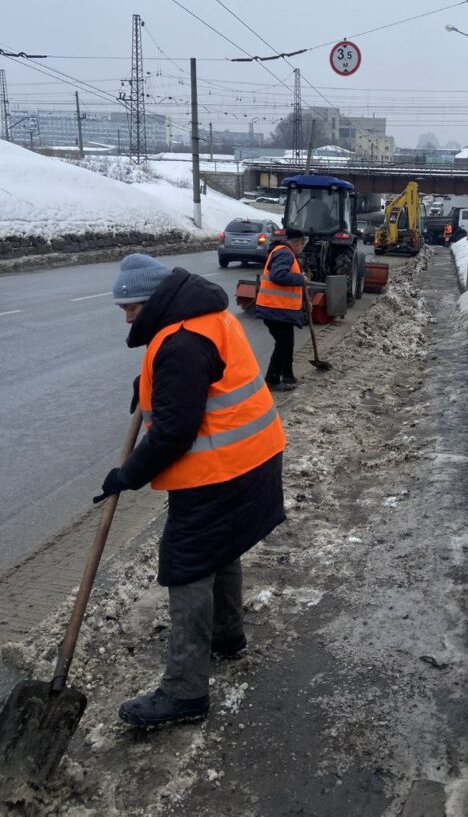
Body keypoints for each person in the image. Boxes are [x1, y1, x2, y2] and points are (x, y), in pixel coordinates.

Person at [96, 253, 286, 728]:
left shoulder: (180, 341)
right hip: (251, 457)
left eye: (131, 308)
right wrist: (154, 383)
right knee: (221, 548)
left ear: (154, 301)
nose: (127, 318)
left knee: (187, 565)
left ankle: (185, 692)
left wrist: (127, 475)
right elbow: (201, 379)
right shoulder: (202, 315)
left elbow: (173, 434)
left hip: (220, 470)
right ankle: (227, 637)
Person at [252, 227, 307, 392]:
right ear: (298, 243)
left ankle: (288, 375)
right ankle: (272, 380)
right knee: (284, 344)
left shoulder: (284, 252)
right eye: (302, 245)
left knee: (287, 343)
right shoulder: (284, 253)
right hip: (274, 308)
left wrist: (306, 302)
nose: (302, 249)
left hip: (280, 308)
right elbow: (278, 275)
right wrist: (300, 278)